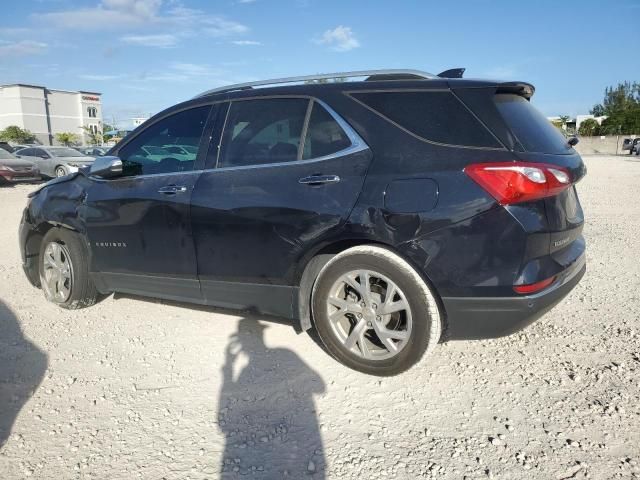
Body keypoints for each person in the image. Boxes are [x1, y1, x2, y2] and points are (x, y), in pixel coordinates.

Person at [218, 318, 326, 478]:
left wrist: (228, 367)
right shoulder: (285, 354)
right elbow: (320, 387)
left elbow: (224, 423)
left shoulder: (245, 372)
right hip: (300, 446)